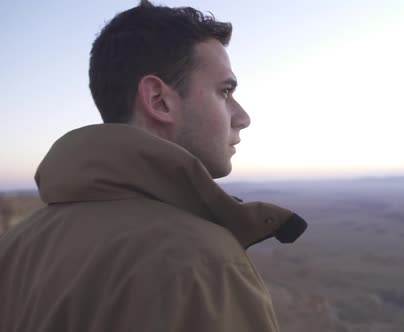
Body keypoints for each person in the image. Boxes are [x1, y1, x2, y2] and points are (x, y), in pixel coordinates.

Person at [0, 1, 307, 331]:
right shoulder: (201, 263)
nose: (242, 118)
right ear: (159, 101)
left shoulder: (19, 245)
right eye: (225, 91)